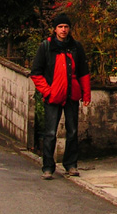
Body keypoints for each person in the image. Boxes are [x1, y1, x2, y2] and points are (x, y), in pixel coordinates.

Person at [30, 13, 91, 180]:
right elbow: (36, 73)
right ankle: (48, 167)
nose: (63, 30)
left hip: (71, 96)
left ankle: (71, 164)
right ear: (55, 29)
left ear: (69, 29)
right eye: (60, 27)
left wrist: (86, 94)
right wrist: (48, 91)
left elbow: (83, 73)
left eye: (66, 27)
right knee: (50, 133)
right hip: (53, 97)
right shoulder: (46, 47)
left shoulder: (76, 47)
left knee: (72, 131)